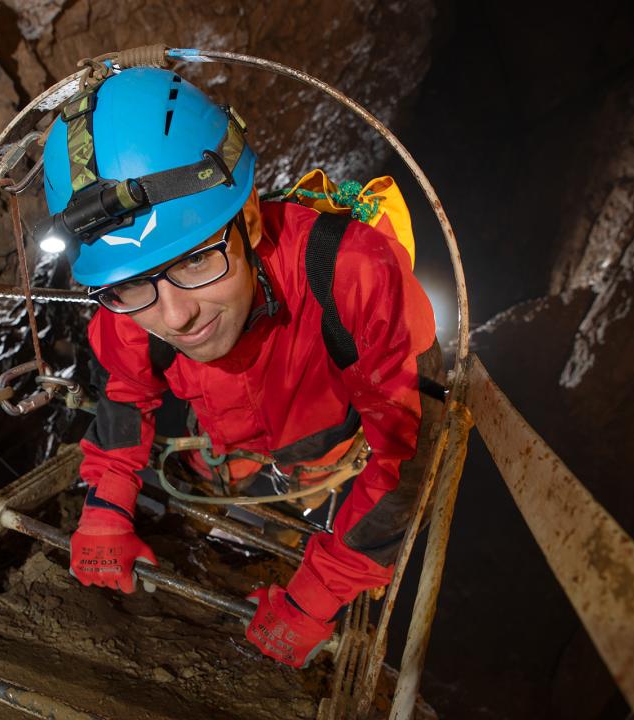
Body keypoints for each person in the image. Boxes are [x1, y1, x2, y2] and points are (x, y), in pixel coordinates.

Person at [38, 66, 438, 669]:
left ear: (249, 219)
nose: (176, 315)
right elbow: (124, 389)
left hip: (319, 472)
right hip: (220, 454)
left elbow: (405, 455)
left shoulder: (353, 276)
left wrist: (315, 596)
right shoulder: (126, 300)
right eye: (133, 284)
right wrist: (107, 504)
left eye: (197, 258)